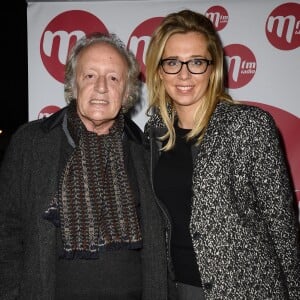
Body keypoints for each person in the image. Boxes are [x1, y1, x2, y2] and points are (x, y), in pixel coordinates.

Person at [0, 32, 174, 300]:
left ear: (126, 91)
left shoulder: (145, 150)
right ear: (73, 84)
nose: (102, 87)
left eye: (113, 78)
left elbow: (162, 245)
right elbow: (7, 233)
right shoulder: (30, 143)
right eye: (90, 76)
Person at [144, 9, 300, 300]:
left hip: (245, 289)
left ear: (213, 68)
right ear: (159, 70)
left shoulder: (249, 125)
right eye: (173, 62)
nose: (184, 74)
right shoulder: (153, 132)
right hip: (174, 288)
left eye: (197, 62)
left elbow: (282, 227)